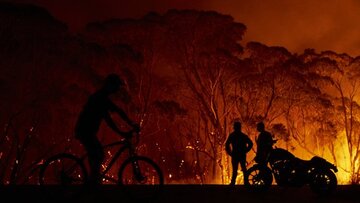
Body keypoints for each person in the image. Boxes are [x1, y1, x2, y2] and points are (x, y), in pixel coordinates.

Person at [75, 73, 139, 185]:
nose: (117, 89)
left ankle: (93, 180)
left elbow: (118, 111)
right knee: (98, 153)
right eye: (116, 86)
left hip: (87, 131)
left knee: (96, 155)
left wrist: (131, 123)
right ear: (110, 85)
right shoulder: (100, 98)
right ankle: (92, 182)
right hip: (85, 131)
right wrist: (122, 132)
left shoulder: (103, 97)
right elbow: (109, 121)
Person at [225, 121, 253, 185]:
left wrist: (230, 153)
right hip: (241, 154)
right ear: (240, 127)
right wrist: (246, 150)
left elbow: (227, 145)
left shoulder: (232, 135)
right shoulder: (243, 136)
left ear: (234, 127)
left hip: (235, 154)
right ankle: (246, 182)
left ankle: (233, 182)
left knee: (235, 169)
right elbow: (250, 143)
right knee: (243, 169)